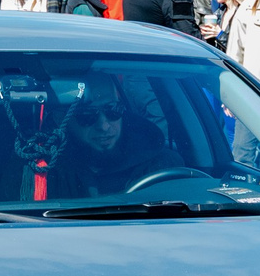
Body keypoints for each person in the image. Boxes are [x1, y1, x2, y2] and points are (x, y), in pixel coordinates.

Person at [48, 71, 181, 197]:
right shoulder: (46, 171)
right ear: (61, 118)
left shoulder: (162, 166)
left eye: (113, 110)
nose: (104, 126)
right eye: (87, 115)